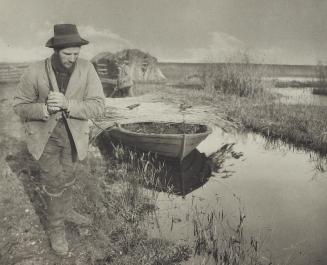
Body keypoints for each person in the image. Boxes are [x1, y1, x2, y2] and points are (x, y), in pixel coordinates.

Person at [13, 24, 105, 256]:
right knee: (53, 182)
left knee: (69, 176)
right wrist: (44, 108)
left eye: (76, 53)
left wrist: (68, 105)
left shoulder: (87, 69)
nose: (73, 59)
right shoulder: (35, 71)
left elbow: (99, 106)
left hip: (74, 136)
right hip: (46, 138)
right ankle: (56, 230)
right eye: (67, 54)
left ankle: (67, 211)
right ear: (55, 50)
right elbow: (19, 106)